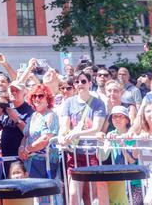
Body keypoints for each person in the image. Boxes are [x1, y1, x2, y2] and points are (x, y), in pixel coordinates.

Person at [57, 70, 106, 205]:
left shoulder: (98, 103)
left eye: (83, 81)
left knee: (91, 196)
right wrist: (61, 136)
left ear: (90, 83)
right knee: (73, 195)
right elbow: (64, 126)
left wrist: (77, 133)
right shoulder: (69, 103)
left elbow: (96, 128)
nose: (80, 84)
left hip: (91, 153)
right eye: (77, 82)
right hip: (74, 154)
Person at [0, 82, 33, 176]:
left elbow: (29, 132)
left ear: (24, 93)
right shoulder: (7, 109)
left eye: (17, 90)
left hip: (21, 158)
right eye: (12, 90)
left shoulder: (29, 110)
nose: (14, 93)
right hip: (6, 157)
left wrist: (16, 119)